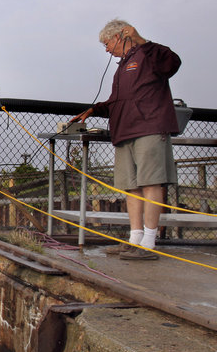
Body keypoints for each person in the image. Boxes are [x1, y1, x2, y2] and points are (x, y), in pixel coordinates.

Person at [71, 19, 181, 260]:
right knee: (131, 187)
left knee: (151, 183)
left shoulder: (150, 54)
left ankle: (149, 243)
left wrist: (142, 40)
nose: (107, 49)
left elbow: (172, 63)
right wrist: (92, 110)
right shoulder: (122, 67)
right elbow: (117, 101)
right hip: (125, 131)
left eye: (107, 43)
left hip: (149, 127)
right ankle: (135, 239)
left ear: (122, 35)